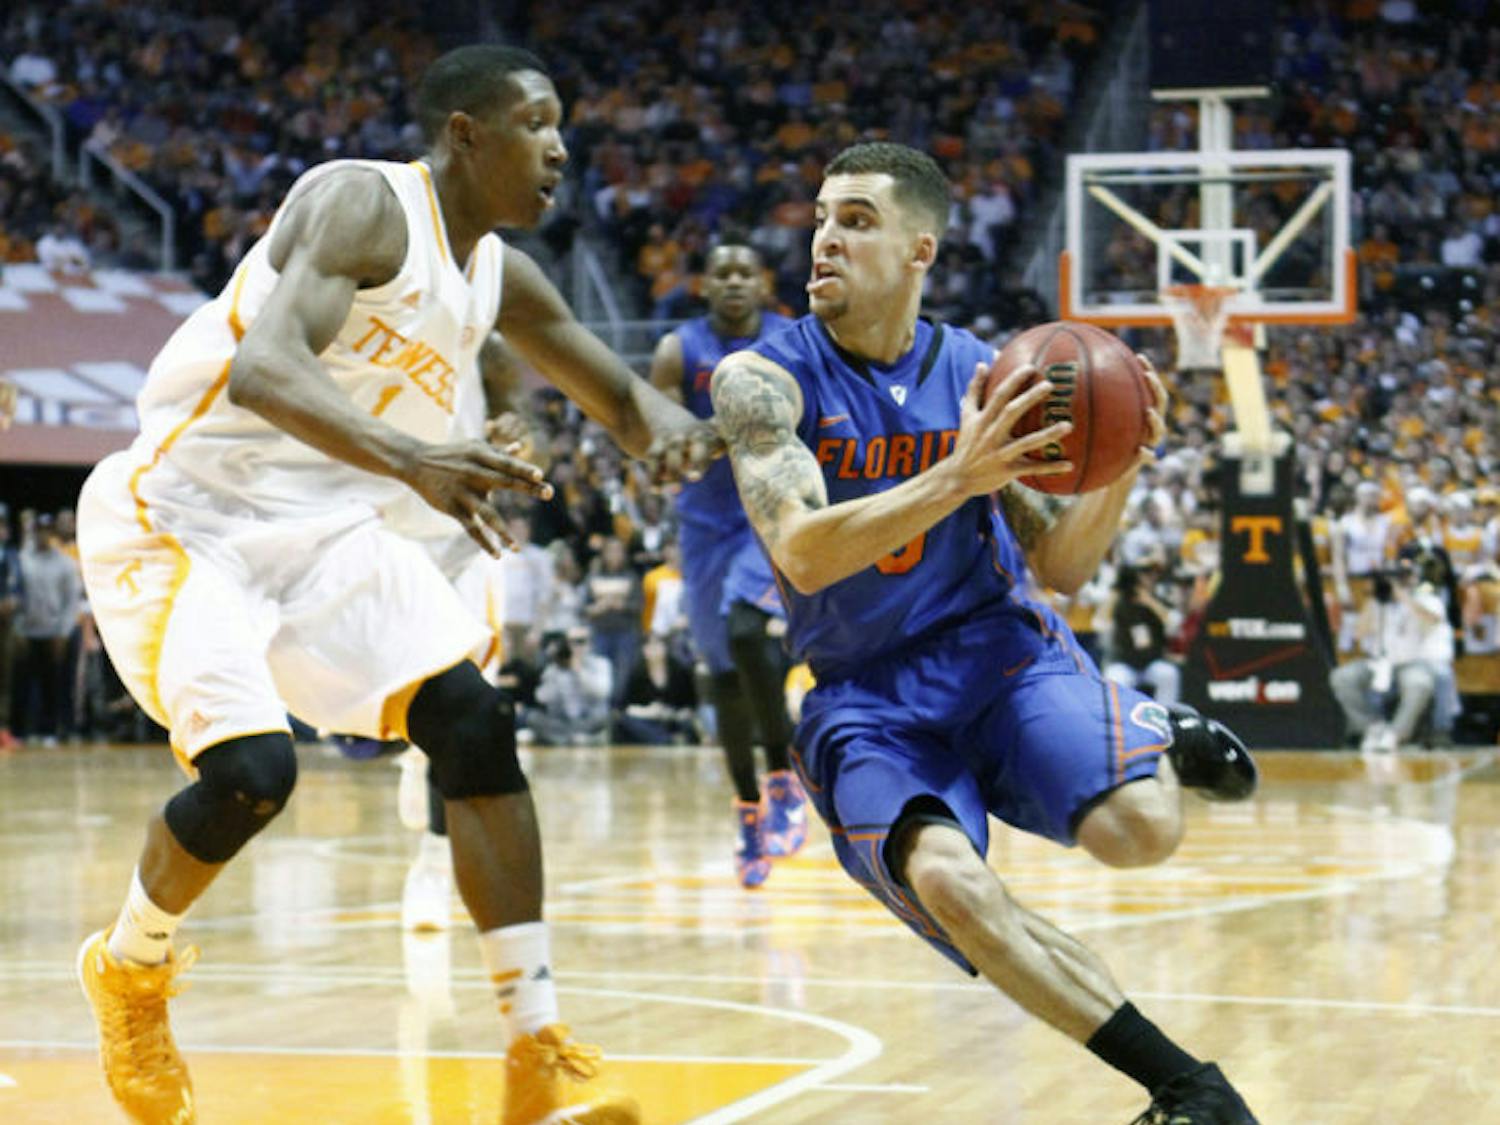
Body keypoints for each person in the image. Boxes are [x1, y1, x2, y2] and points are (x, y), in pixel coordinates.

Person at [74, 44, 719, 1125]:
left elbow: (628, 408)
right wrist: (417, 461)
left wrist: (708, 436)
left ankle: (535, 1045)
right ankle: (131, 969)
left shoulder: (501, 276)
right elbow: (264, 369)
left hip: (325, 532)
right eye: (537, 120)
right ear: (466, 133)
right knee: (251, 776)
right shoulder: (362, 203)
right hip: (187, 518)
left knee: (474, 720)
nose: (561, 146)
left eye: (563, 125)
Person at [710, 142, 1259, 1123]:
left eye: (858, 220)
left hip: (998, 655)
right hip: (864, 698)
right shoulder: (762, 380)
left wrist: (1121, 460)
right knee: (951, 885)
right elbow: (799, 551)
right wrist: (957, 477)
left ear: (922, 249)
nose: (825, 238)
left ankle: (1150, 724)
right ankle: (1189, 1091)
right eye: (823, 218)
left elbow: (1059, 569)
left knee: (1142, 833)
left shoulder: (987, 374)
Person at [649, 240, 807, 889]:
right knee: (722, 675)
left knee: (747, 631)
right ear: (705, 285)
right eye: (723, 272)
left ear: (764, 281)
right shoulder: (677, 349)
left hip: (766, 510)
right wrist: (666, 451)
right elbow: (652, 426)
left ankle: (784, 774)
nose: (735, 281)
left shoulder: (791, 336)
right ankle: (749, 810)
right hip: (703, 520)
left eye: (747, 271)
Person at [1331, 562, 1457, 753]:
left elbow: (1432, 620)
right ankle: (1370, 728)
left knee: (1419, 684)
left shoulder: (1425, 599)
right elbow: (1359, 633)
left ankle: (1396, 734)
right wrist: (1373, 599)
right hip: (1378, 663)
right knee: (1341, 677)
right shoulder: (1378, 603)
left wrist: (1404, 597)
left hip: (1412, 662)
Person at [1101, 565, 1182, 707]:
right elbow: (1099, 623)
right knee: (1114, 680)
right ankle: (1121, 725)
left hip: (1150, 663)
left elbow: (1176, 623)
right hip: (1124, 663)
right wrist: (1113, 595)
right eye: (1144, 574)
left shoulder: (1156, 601)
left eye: (1152, 573)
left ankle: (1164, 718)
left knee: (1169, 674)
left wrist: (1150, 602)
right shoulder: (1119, 602)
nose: (1149, 578)